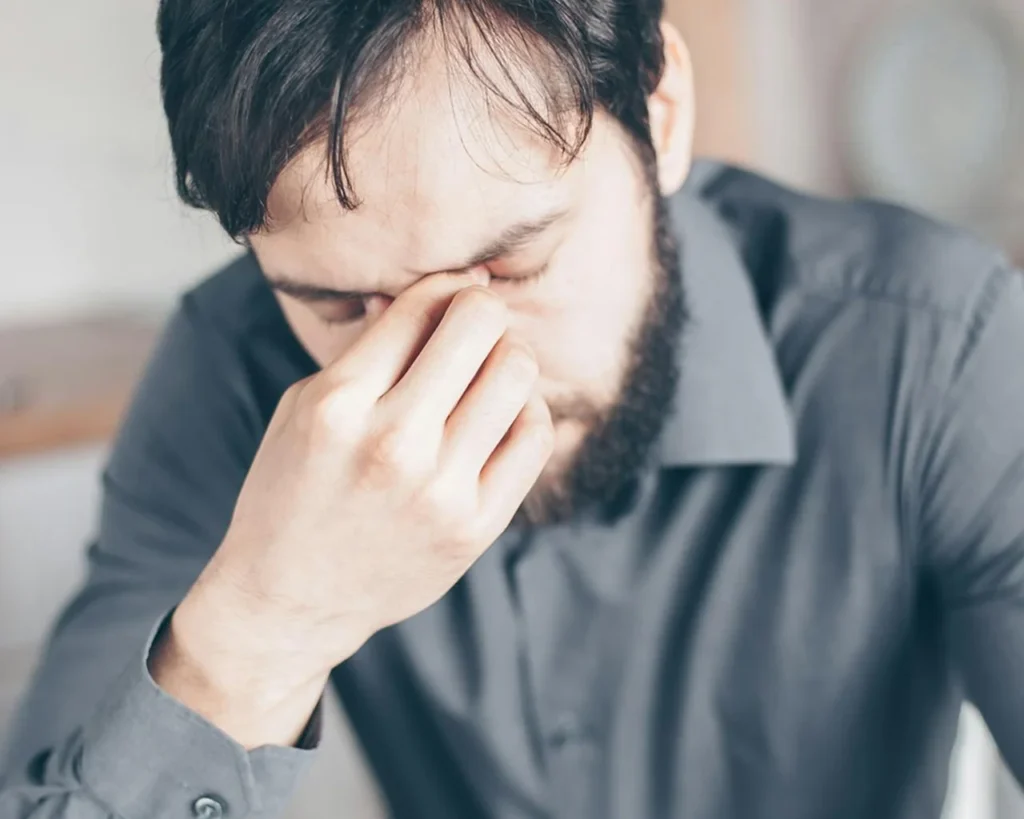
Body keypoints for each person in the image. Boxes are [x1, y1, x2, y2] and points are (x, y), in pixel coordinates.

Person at [2, 1, 1024, 817]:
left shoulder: (933, 347)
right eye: (339, 305)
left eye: (512, 263)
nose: (451, 377)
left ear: (659, 117)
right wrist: (267, 623)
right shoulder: (232, 368)